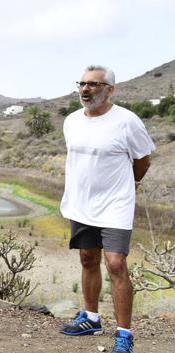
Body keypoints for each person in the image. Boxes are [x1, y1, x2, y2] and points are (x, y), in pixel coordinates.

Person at [59, 65, 154, 353]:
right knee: (88, 259)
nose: (85, 90)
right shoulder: (72, 121)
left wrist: (132, 185)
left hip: (116, 203)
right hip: (81, 203)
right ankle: (91, 318)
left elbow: (143, 160)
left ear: (109, 90)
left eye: (93, 85)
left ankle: (124, 335)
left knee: (115, 264)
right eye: (82, 84)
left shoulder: (127, 121)